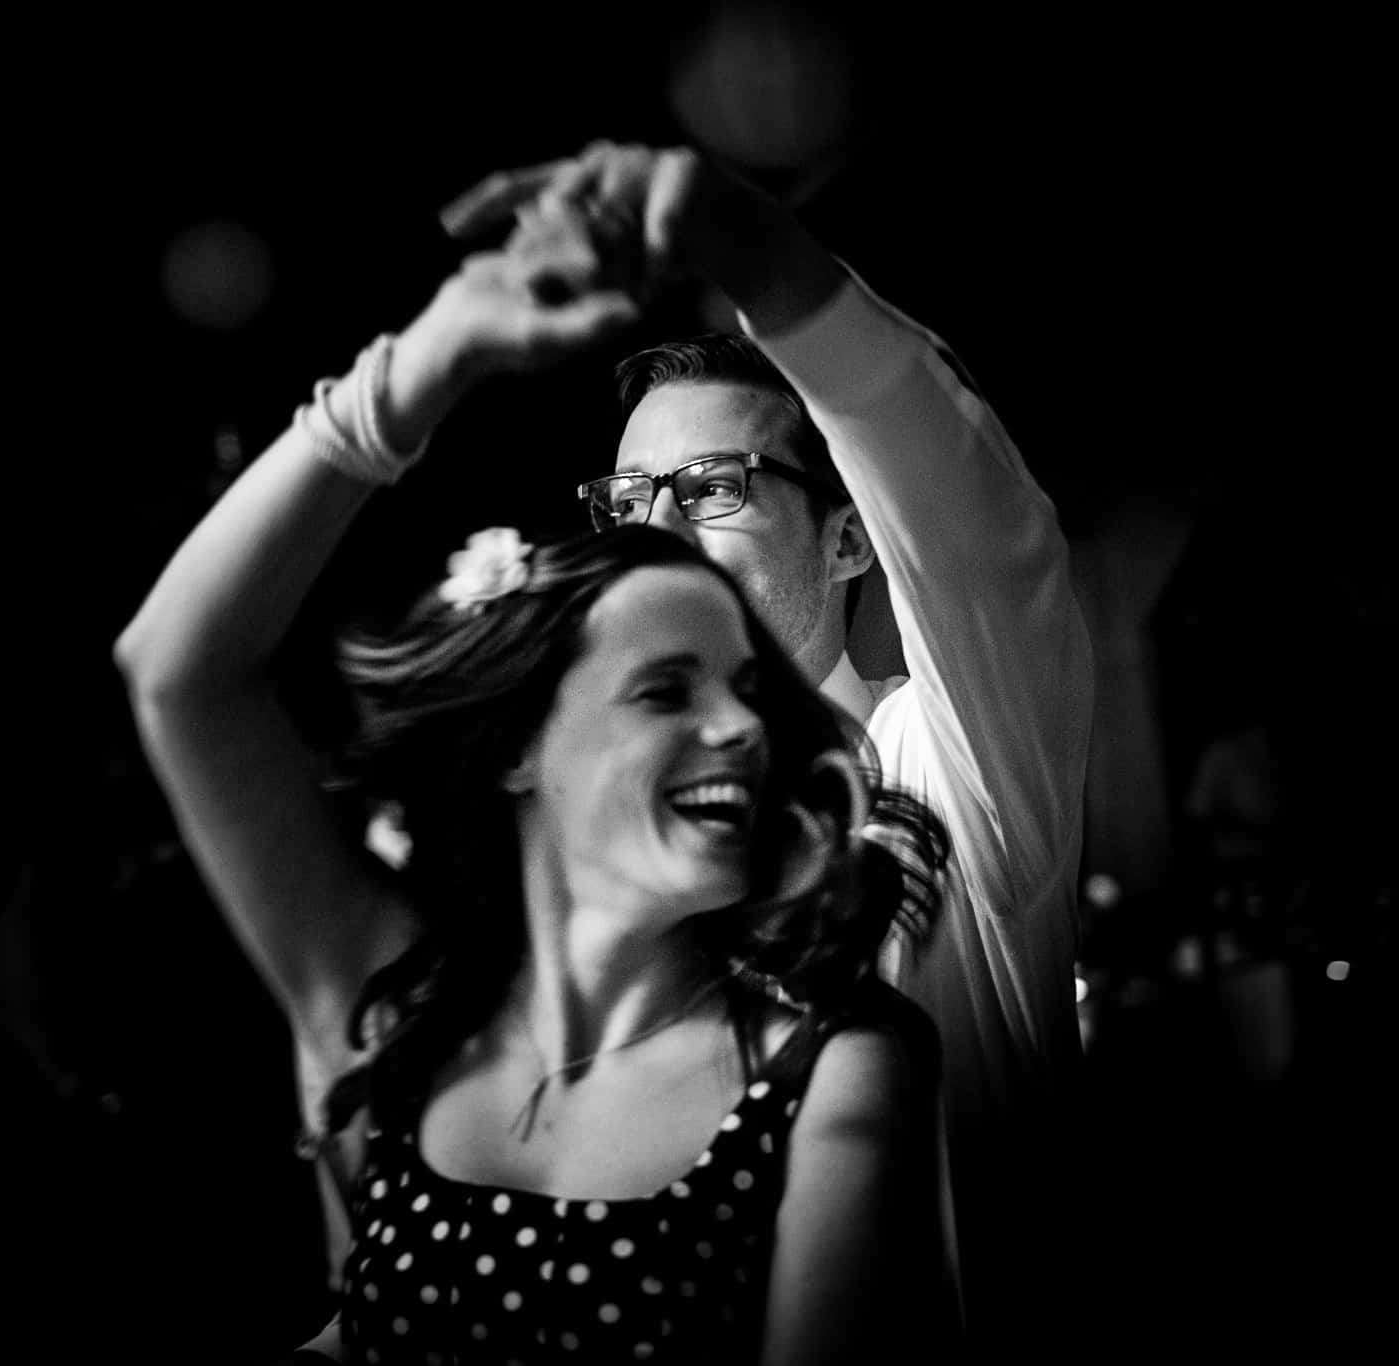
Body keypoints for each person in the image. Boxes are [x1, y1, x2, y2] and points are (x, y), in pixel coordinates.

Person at [114, 207, 957, 1359]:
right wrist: (420, 366)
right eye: (663, 691)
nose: (738, 727)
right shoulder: (403, 1007)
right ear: (521, 743)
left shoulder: (825, 1065)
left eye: (746, 690)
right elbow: (179, 676)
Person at [443, 142, 1097, 1347]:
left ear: (848, 540)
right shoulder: (607, 843)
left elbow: (983, 544)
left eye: (707, 487)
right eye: (629, 502)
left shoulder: (934, 770)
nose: (656, 534)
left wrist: (759, 259)